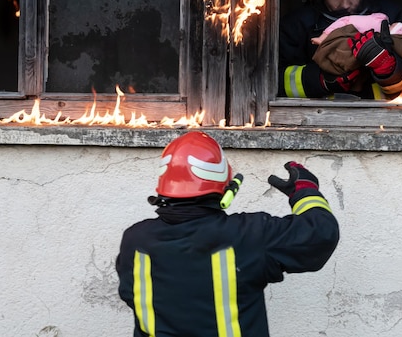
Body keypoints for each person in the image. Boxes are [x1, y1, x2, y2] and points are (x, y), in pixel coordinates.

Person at [116, 130, 340, 337]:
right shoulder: (249, 235)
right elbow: (321, 233)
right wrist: (305, 191)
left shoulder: (134, 240)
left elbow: (130, 295)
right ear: (225, 189)